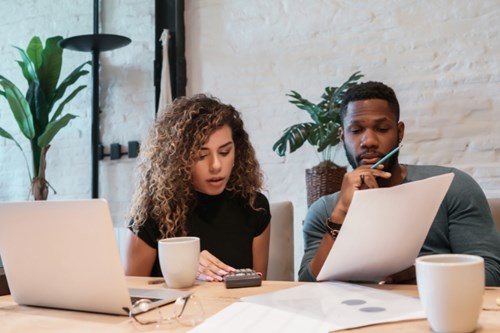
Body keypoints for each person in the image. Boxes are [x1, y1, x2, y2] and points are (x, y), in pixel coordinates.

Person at [298, 81, 500, 286]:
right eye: (356, 130)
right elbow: (307, 286)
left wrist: (425, 277)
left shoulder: (453, 187)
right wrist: (341, 212)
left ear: (399, 132)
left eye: (382, 128)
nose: (368, 141)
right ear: (342, 137)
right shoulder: (324, 211)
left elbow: (491, 273)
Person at [125, 94, 271, 282]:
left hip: (235, 310)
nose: (216, 165)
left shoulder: (254, 206)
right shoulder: (153, 212)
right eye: (201, 155)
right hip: (174, 311)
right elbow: (131, 294)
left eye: (225, 152)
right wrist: (181, 268)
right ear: (178, 160)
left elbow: (259, 286)